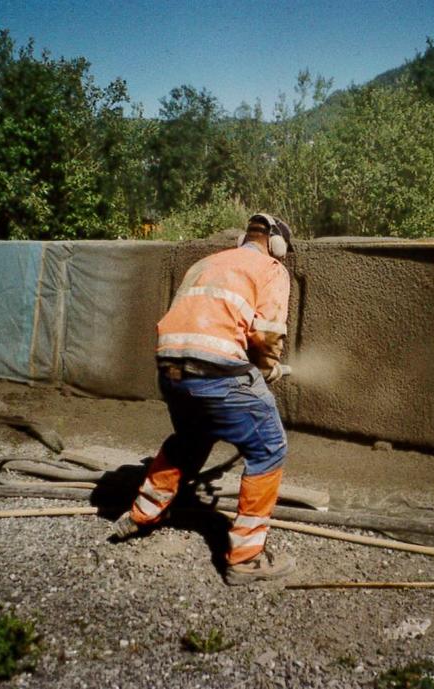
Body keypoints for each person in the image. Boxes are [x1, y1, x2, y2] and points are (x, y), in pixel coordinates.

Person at [112, 213, 295, 585]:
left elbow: (203, 321)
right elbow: (269, 332)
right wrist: (267, 365)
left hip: (171, 371)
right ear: (276, 244)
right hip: (218, 374)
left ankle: (142, 514)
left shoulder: (206, 263)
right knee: (269, 447)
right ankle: (245, 559)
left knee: (190, 439)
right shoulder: (272, 268)